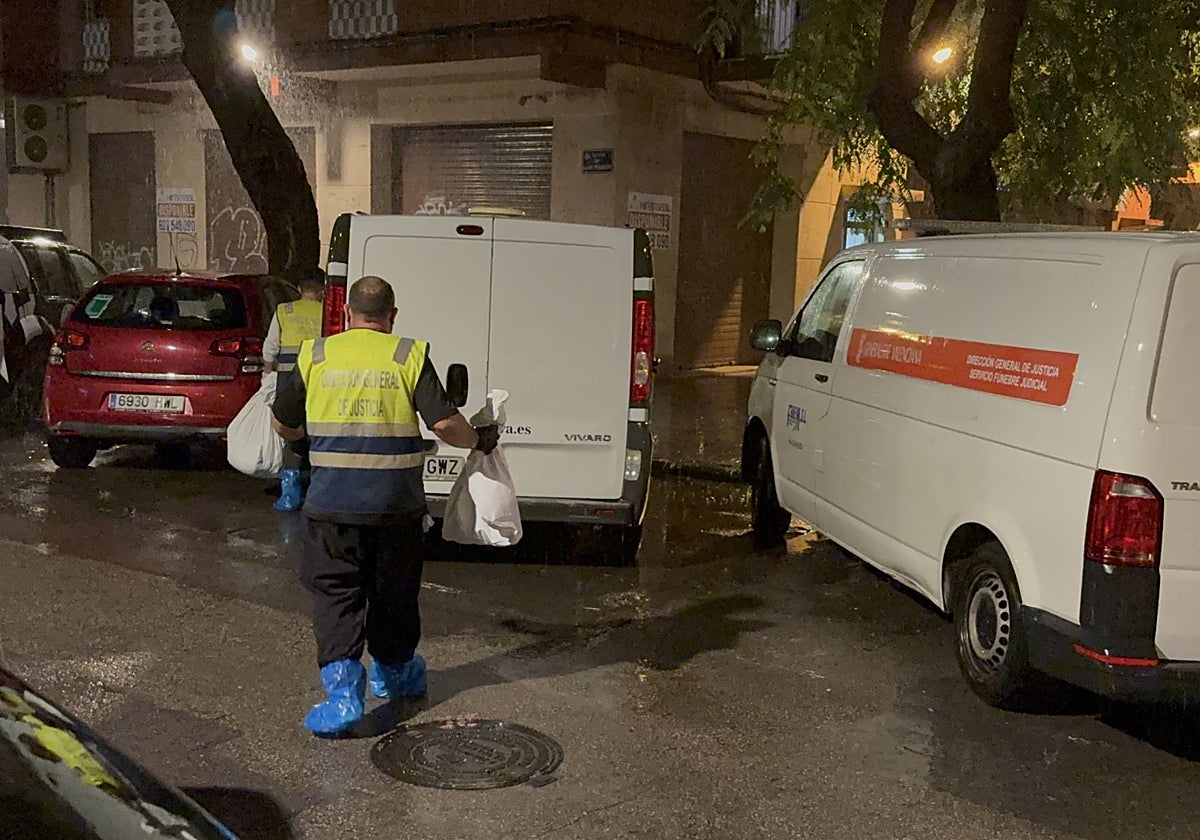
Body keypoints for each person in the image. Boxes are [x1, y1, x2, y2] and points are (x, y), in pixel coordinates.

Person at [271, 275, 500, 736]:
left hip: (332, 506)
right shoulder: (408, 355)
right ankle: (393, 675)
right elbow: (444, 423)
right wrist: (481, 441)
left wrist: (304, 439)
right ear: (392, 316)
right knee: (394, 594)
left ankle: (342, 697)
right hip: (396, 508)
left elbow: (284, 423)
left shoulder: (316, 355)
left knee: (337, 594)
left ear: (345, 315)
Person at [264, 269, 325, 512]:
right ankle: (315, 488)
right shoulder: (327, 313)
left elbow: (270, 349)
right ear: (323, 290)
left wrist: (268, 376)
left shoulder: (284, 311)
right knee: (318, 432)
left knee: (289, 431)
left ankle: (289, 494)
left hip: (288, 381)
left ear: (299, 289)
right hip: (319, 380)